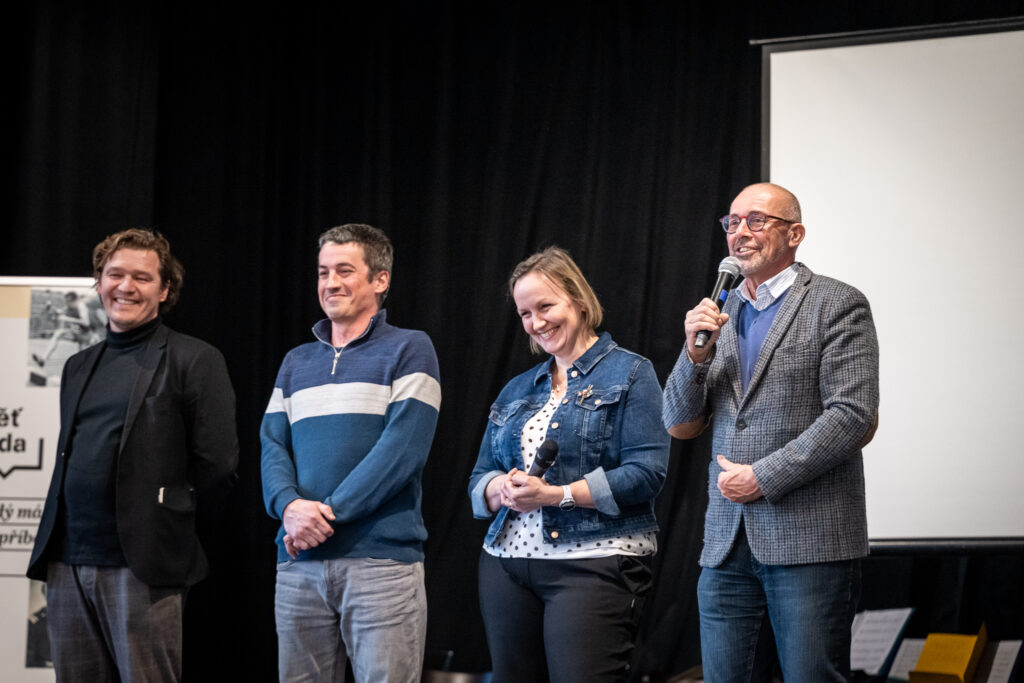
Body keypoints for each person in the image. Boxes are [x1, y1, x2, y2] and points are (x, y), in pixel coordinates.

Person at [662, 182, 880, 682]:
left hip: (809, 540)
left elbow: (852, 415)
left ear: (795, 234)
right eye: (732, 222)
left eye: (756, 221)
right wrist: (694, 354)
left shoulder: (837, 303)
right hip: (726, 544)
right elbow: (678, 422)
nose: (740, 232)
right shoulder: (718, 310)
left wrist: (764, 477)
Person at [26, 228, 239, 682]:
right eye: (115, 274)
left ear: (164, 290)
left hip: (143, 565)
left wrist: (173, 527)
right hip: (67, 560)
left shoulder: (194, 359)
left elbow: (218, 465)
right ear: (99, 282)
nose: (125, 286)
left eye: (141, 277)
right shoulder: (77, 365)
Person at [469, 246, 670, 683]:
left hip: (594, 562)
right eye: (525, 313)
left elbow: (646, 474)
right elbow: (479, 476)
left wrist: (556, 495)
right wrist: (500, 488)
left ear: (578, 299)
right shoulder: (518, 388)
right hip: (505, 562)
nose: (536, 322)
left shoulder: (632, 373)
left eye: (545, 306)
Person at [261, 223, 441, 683]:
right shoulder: (295, 361)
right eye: (323, 272)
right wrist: (290, 508)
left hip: (380, 562)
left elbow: (401, 452)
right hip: (299, 562)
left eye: (344, 271)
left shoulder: (410, 348)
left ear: (380, 279)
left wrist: (323, 517)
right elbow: (272, 445)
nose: (331, 283)